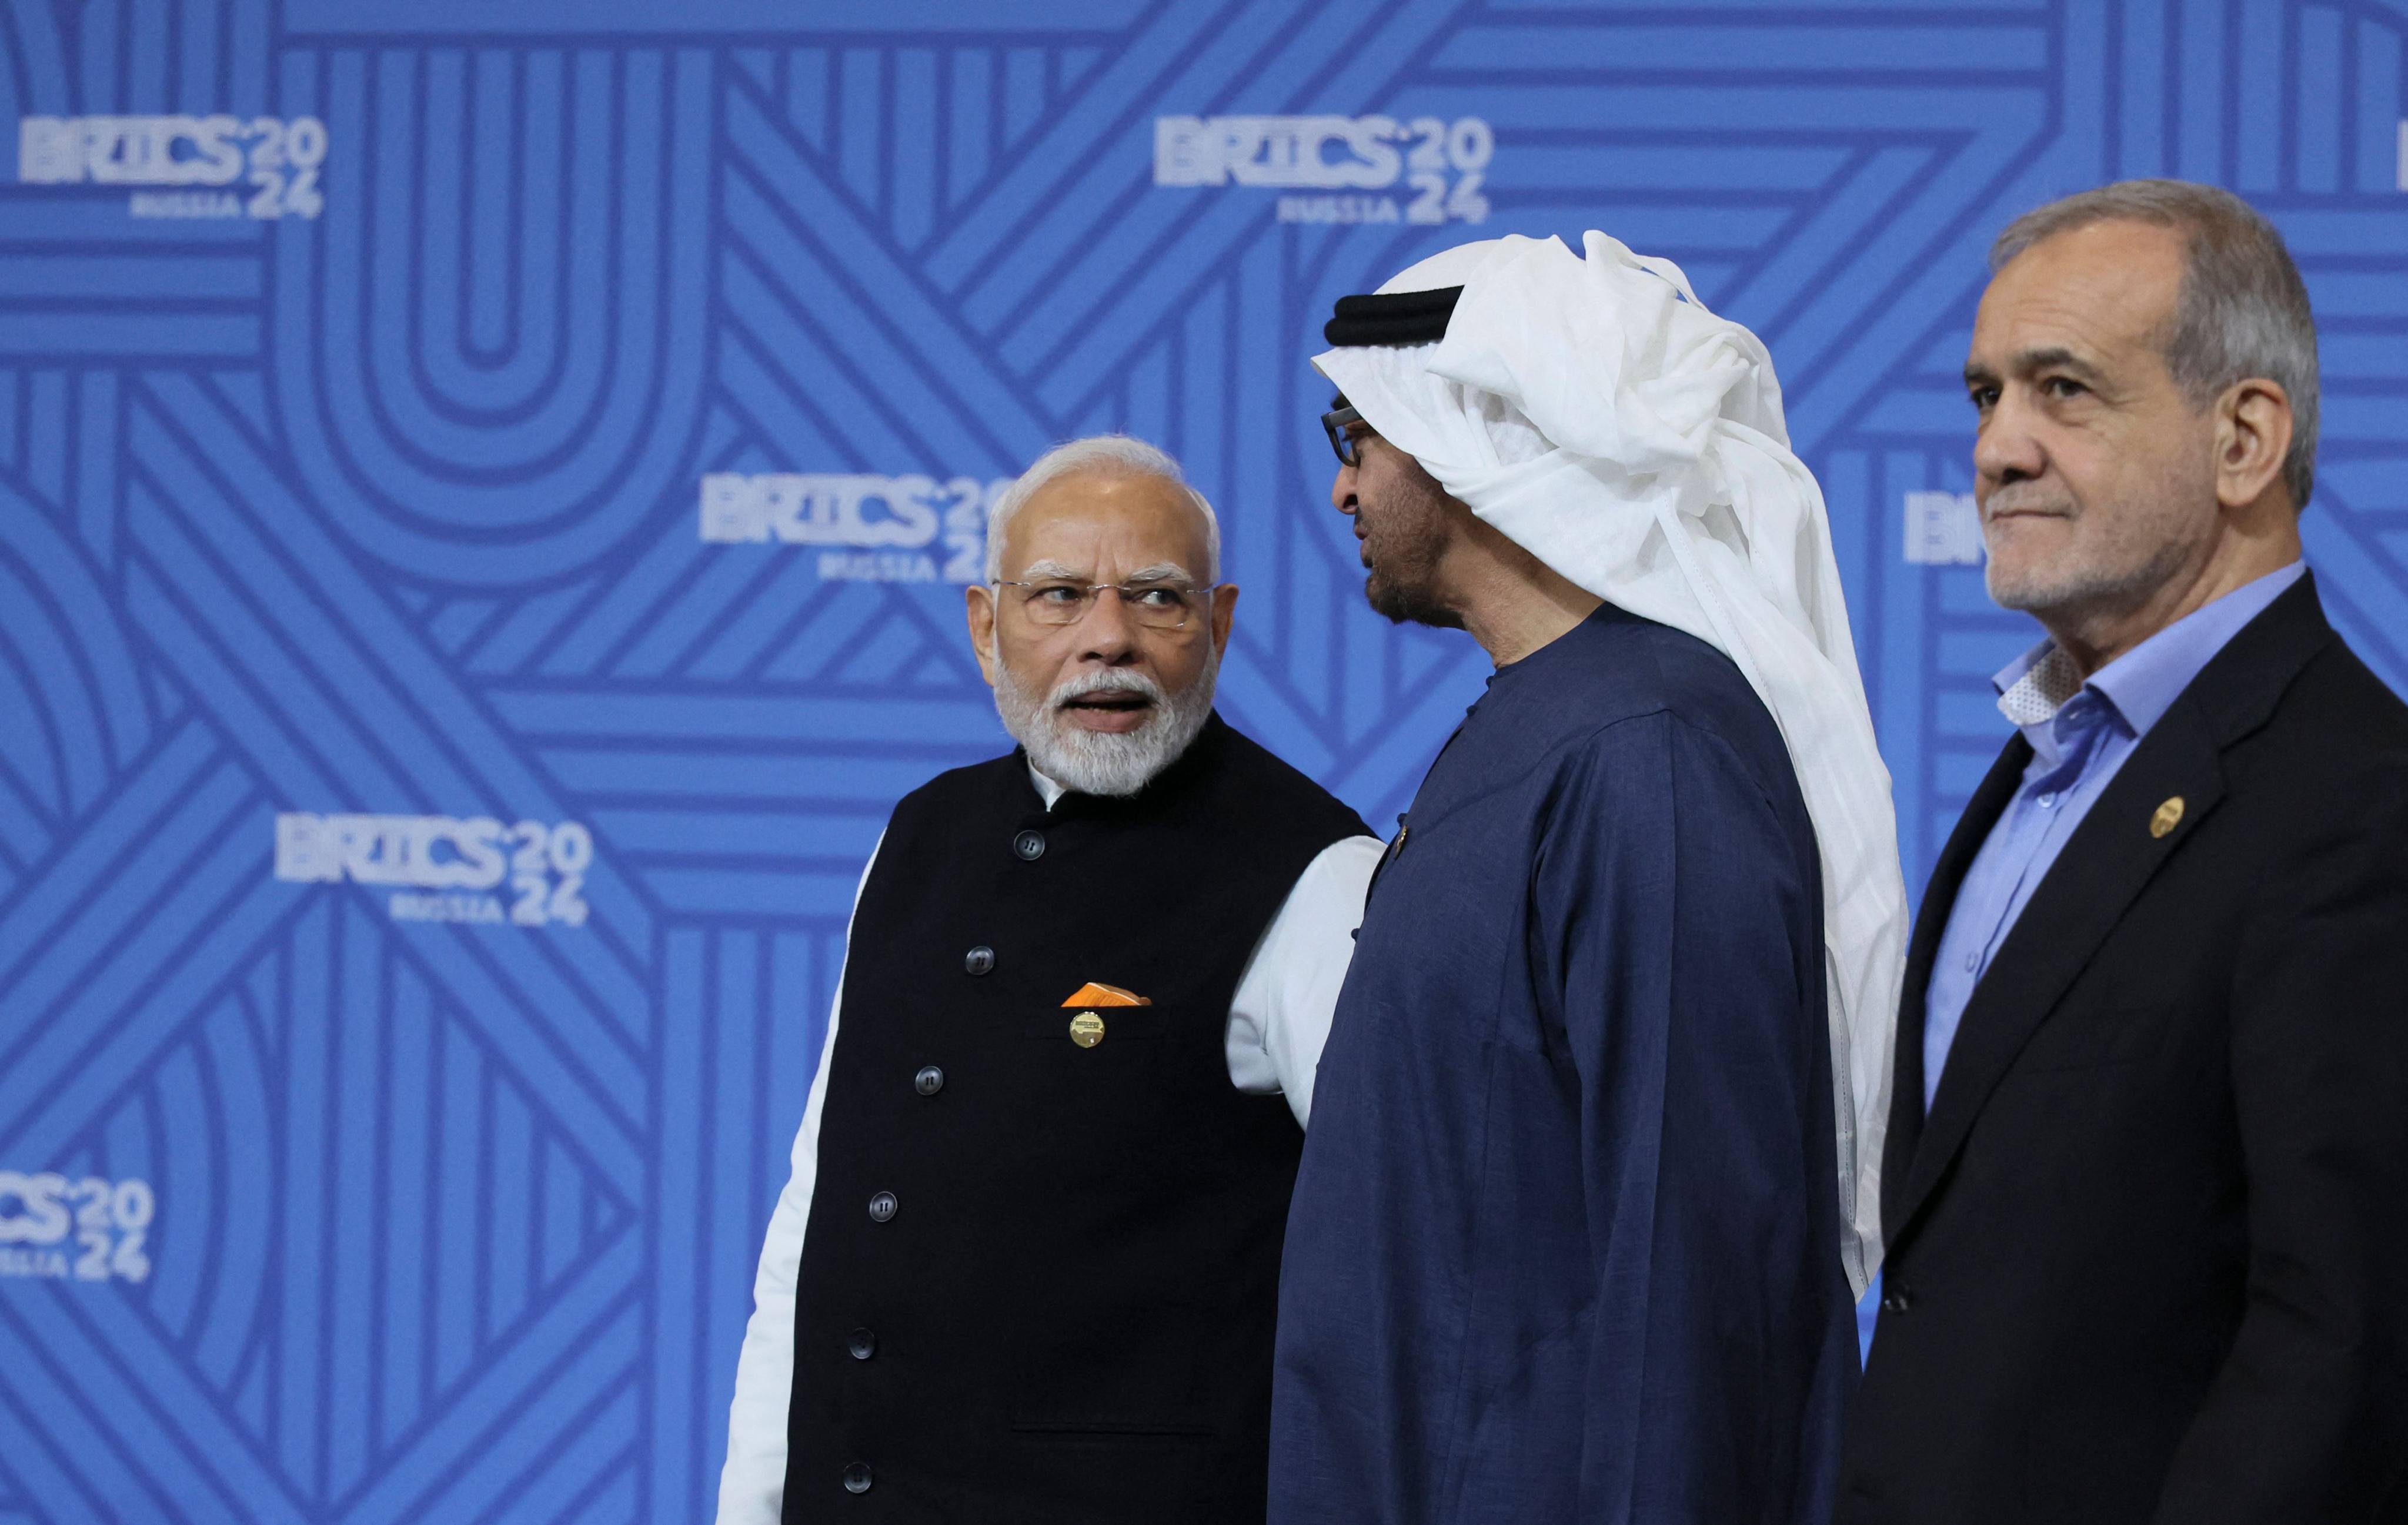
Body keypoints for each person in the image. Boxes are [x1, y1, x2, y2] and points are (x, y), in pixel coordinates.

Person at [1268, 233, 1909, 1523]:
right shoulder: (1557, 721)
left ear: (1466, 436)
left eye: (1358, 437)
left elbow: (1692, 1271)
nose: (1341, 492)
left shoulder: (1646, 752)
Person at [1836, 182, 2408, 1521]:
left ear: (2242, 438)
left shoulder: (2356, 802)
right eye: (1984, 395)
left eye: (2062, 390)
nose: (1996, 448)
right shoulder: (2047, 761)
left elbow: (2342, 1343)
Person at [716, 436, 1382, 1524]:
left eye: (1157, 599)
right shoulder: (919, 833)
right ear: (986, 626)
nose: (1107, 638)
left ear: (1218, 626)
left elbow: (1398, 1272)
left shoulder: (1317, 874)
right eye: (1060, 595)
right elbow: (817, 1214)